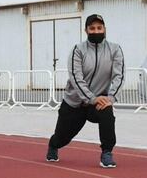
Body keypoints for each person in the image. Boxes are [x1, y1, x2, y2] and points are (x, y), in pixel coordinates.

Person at [46, 14, 124, 168]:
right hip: (75, 103)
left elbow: (118, 76)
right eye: (92, 28)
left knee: (107, 111)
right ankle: (53, 145)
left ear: (104, 29)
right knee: (63, 138)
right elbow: (76, 78)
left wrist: (110, 98)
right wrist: (91, 98)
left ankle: (107, 152)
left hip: (98, 102)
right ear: (86, 30)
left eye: (99, 28)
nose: (96, 31)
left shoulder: (115, 49)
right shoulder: (78, 50)